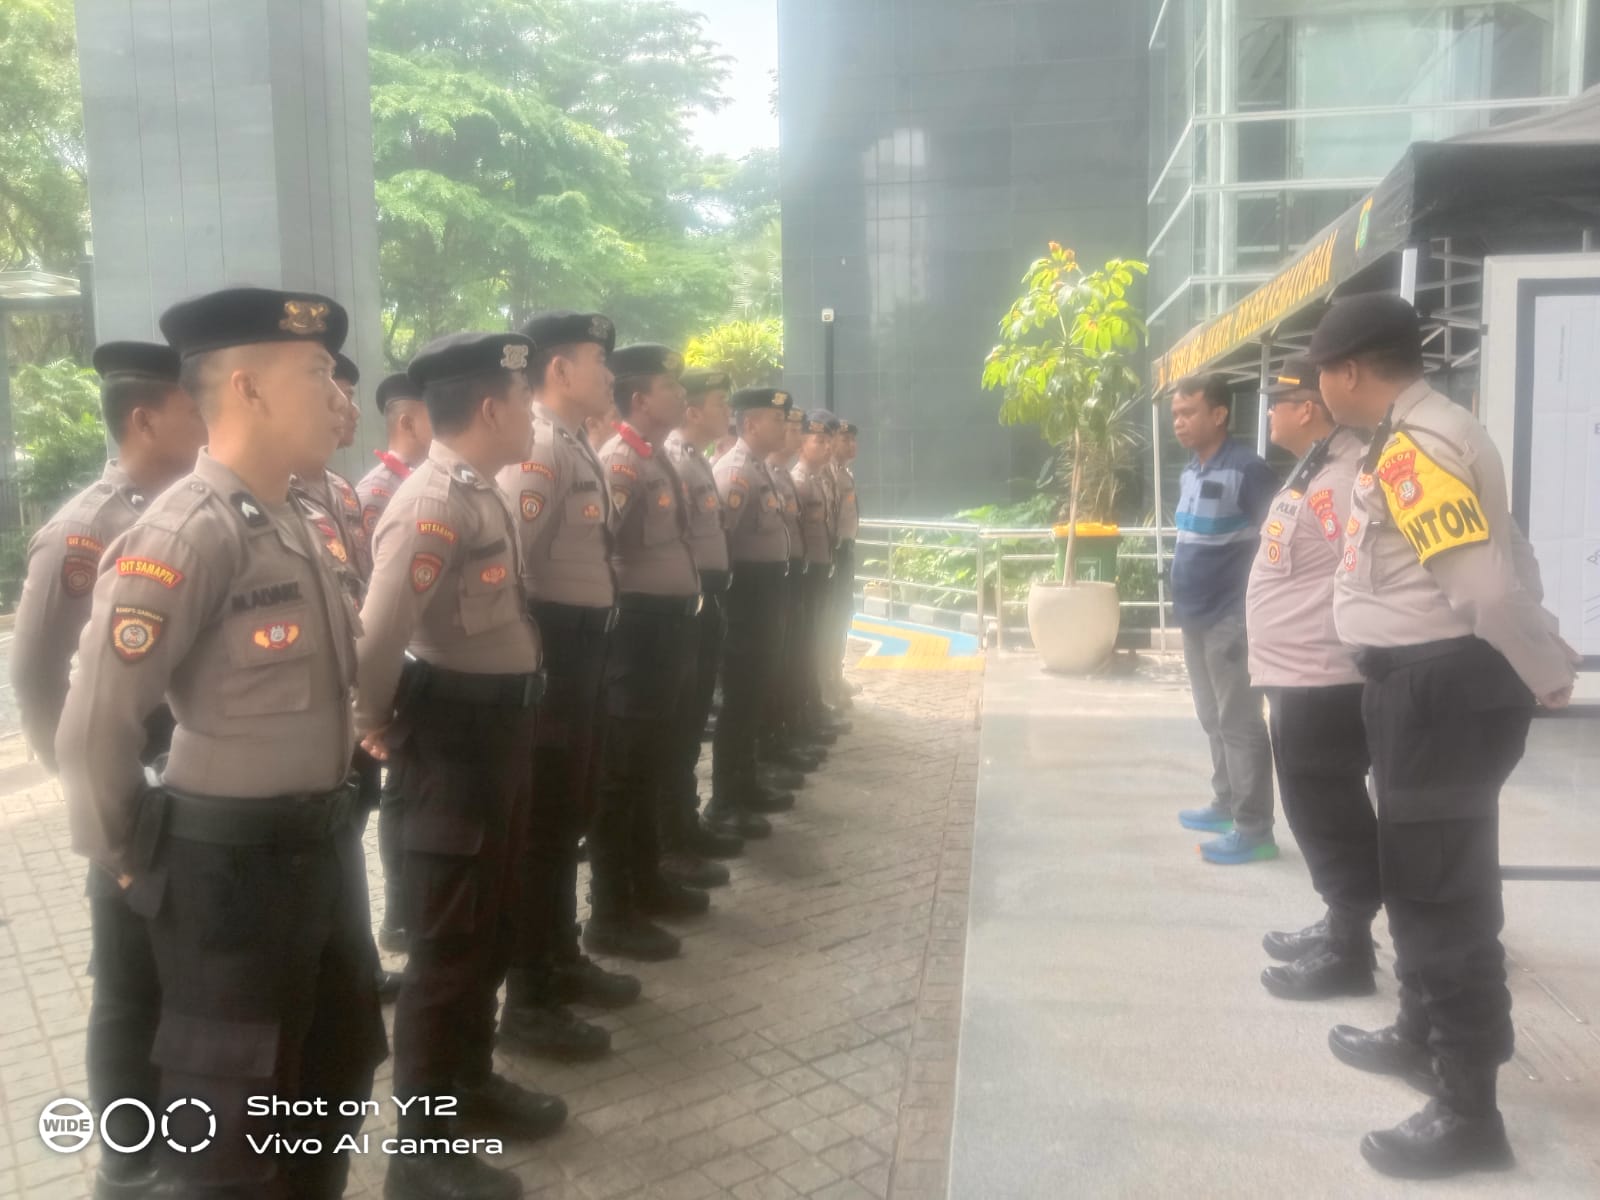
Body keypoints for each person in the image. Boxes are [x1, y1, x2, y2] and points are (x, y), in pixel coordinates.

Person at [55, 287, 387, 1199]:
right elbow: (95, 726)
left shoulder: (289, 519)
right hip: (230, 880)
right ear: (247, 387)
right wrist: (130, 859)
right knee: (234, 1123)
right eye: (317, 374)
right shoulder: (185, 532)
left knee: (332, 1066)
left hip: (319, 854)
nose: (338, 397)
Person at [1312, 293, 1576, 1179]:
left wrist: (1539, 664)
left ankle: (1468, 1108)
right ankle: (1420, 1033)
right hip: (1423, 691)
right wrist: (1540, 647)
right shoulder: (1420, 432)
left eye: (1321, 372)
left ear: (1350, 370)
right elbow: (1511, 550)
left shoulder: (1415, 448)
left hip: (1438, 694)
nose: (1320, 387)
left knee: (1440, 892)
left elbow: (1486, 586)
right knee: (1418, 874)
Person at [356, 330, 565, 1200]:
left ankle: (470, 1084)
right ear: (490, 407)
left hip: (497, 739)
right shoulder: (433, 502)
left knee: (491, 924)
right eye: (523, 403)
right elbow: (377, 636)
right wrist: (371, 722)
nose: (533, 417)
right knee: (447, 949)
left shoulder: (481, 491)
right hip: (453, 743)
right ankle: (420, 1151)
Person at [11, 340, 205, 1198]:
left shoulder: (198, 509)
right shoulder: (86, 528)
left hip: (194, 783)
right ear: (145, 420)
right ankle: (128, 1164)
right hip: (130, 786)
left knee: (183, 973)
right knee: (130, 984)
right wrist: (93, 793)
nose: (208, 420)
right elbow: (34, 675)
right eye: (193, 407)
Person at [493, 311, 640, 1064]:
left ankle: (560, 954)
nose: (609, 375)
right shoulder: (543, 450)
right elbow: (515, 572)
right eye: (597, 360)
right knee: (544, 826)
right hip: (553, 655)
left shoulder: (574, 441)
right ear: (558, 370)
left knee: (566, 816)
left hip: (584, 654)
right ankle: (530, 996)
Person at [1243, 356, 1377, 1000]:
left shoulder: (1341, 479)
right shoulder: (1317, 467)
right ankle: (1339, 922)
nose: (1270, 410)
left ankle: (1350, 950)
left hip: (1321, 675)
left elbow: (1361, 570)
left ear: (1307, 409)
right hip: (1296, 672)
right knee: (1312, 805)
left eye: (1280, 400)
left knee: (1327, 810)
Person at [588, 343, 709, 963]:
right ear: (639, 399)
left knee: (654, 761)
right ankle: (612, 911)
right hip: (637, 634)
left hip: (668, 631)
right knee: (624, 772)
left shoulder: (654, 455)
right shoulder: (621, 461)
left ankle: (648, 880)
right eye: (671, 387)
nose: (682, 396)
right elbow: (600, 547)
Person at [1169, 373, 1280, 863]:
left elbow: (1279, 542)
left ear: (1219, 414)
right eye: (1175, 414)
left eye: (1188, 412)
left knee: (1239, 723)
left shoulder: (1248, 471)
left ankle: (1255, 830)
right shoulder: (1190, 472)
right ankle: (1225, 801)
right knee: (1211, 716)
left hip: (1230, 618)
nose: (1179, 422)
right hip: (1193, 616)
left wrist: (1254, 611)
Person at [354, 370, 435, 954]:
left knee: (415, 790)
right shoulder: (378, 491)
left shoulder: (426, 483)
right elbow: (368, 591)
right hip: (395, 661)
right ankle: (401, 914)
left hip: (422, 660)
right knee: (400, 793)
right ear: (408, 421)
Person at [661, 368, 747, 872]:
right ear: (692, 411)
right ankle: (672, 835)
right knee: (677, 728)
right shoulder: (675, 459)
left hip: (704, 599)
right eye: (719, 403)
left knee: (691, 723)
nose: (727, 413)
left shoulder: (693, 459)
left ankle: (684, 824)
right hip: (683, 603)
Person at [707, 388, 794, 839]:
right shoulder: (736, 471)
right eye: (776, 419)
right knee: (738, 698)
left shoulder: (758, 468)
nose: (784, 426)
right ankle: (725, 801)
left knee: (754, 693)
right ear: (751, 424)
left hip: (765, 595)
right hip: (744, 598)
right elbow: (721, 540)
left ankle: (746, 782)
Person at [764, 409, 830, 773]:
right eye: (788, 428)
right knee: (776, 663)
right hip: (769, 582)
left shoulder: (781, 477)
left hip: (797, 573)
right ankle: (773, 742)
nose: (791, 435)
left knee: (797, 653)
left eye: (793, 429)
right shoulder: (770, 475)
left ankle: (791, 728)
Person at [792, 412, 845, 743]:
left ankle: (813, 705)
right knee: (805, 644)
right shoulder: (798, 481)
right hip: (806, 571)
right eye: (820, 441)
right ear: (802, 444)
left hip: (822, 567)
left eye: (828, 441)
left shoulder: (819, 480)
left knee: (817, 639)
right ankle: (805, 710)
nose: (827, 447)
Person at [825, 419, 862, 707]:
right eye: (845, 439)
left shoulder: (843, 473)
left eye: (853, 439)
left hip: (845, 550)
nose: (852, 445)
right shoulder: (827, 474)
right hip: (832, 553)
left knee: (841, 616)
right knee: (829, 619)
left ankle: (835, 675)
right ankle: (827, 681)